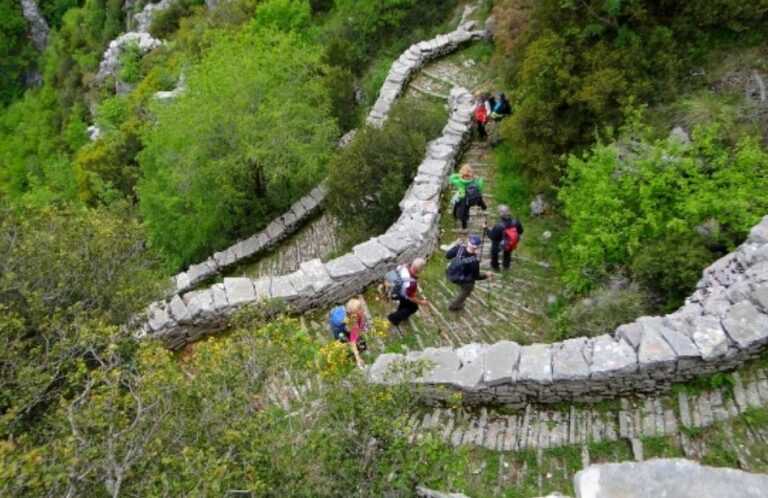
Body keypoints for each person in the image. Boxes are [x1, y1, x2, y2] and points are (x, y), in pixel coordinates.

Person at [445, 234, 494, 312]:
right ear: (477, 247)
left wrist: (455, 245)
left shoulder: (459, 248)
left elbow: (447, 256)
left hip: (450, 273)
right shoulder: (474, 262)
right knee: (468, 288)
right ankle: (454, 306)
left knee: (464, 281)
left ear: (468, 242)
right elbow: (476, 277)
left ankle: (459, 289)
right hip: (461, 278)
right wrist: (486, 275)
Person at [387, 258, 429, 330]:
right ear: (420, 270)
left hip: (394, 289)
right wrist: (422, 302)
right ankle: (393, 318)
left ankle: (400, 311)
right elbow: (411, 297)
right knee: (413, 307)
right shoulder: (412, 283)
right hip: (400, 294)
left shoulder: (402, 266)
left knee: (404, 303)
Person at [329, 298, 368, 368]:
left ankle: (361, 352)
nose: (362, 309)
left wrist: (361, 328)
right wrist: (358, 358)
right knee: (345, 345)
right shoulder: (347, 321)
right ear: (355, 313)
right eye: (360, 309)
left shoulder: (357, 313)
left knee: (361, 343)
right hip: (338, 328)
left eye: (361, 307)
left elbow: (361, 322)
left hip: (344, 316)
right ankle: (352, 360)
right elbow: (352, 341)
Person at [485, 204, 524, 271]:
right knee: (507, 252)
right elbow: (521, 231)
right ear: (509, 212)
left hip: (500, 243)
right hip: (510, 242)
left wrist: (486, 229)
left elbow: (492, 236)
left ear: (500, 214)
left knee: (494, 250)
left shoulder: (499, 226)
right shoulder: (516, 222)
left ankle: (495, 266)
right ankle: (506, 266)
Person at [450, 164, 487, 230]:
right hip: (473, 199)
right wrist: (478, 178)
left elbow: (451, 178)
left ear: (461, 174)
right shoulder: (475, 182)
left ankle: (461, 221)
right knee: (479, 196)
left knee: (459, 206)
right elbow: (480, 186)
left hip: (464, 200)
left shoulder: (459, 182)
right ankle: (483, 206)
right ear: (472, 174)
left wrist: (458, 175)